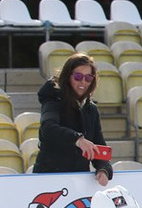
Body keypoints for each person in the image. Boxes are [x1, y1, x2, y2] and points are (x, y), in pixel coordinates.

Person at [33, 52, 112, 187]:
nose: (83, 82)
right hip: (49, 178)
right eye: (77, 76)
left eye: (88, 78)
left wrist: (103, 169)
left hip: (78, 180)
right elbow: (48, 128)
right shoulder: (53, 99)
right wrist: (78, 139)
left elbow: (98, 145)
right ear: (67, 76)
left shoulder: (91, 109)